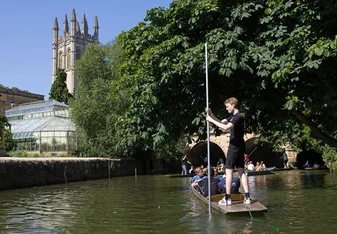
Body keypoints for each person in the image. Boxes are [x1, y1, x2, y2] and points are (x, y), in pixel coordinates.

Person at [206, 97, 251, 205]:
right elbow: (221, 124)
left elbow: (226, 128)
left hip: (234, 147)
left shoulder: (237, 117)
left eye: (227, 106)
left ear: (233, 105)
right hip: (240, 147)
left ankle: (227, 198)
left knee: (228, 171)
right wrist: (211, 115)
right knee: (241, 171)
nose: (226, 109)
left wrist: (210, 120)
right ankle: (247, 197)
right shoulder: (234, 117)